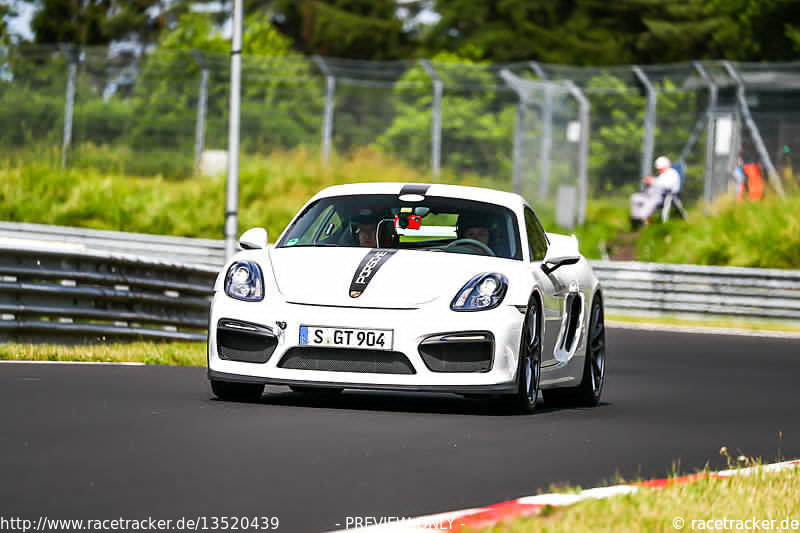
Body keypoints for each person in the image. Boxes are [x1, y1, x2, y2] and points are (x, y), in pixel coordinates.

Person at [630, 156, 681, 225]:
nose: (659, 170)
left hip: (663, 197)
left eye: (660, 168)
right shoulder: (662, 175)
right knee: (635, 198)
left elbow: (666, 186)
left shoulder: (672, 174)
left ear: (666, 166)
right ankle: (636, 220)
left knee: (650, 202)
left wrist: (652, 181)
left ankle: (643, 219)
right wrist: (648, 182)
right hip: (651, 194)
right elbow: (657, 183)